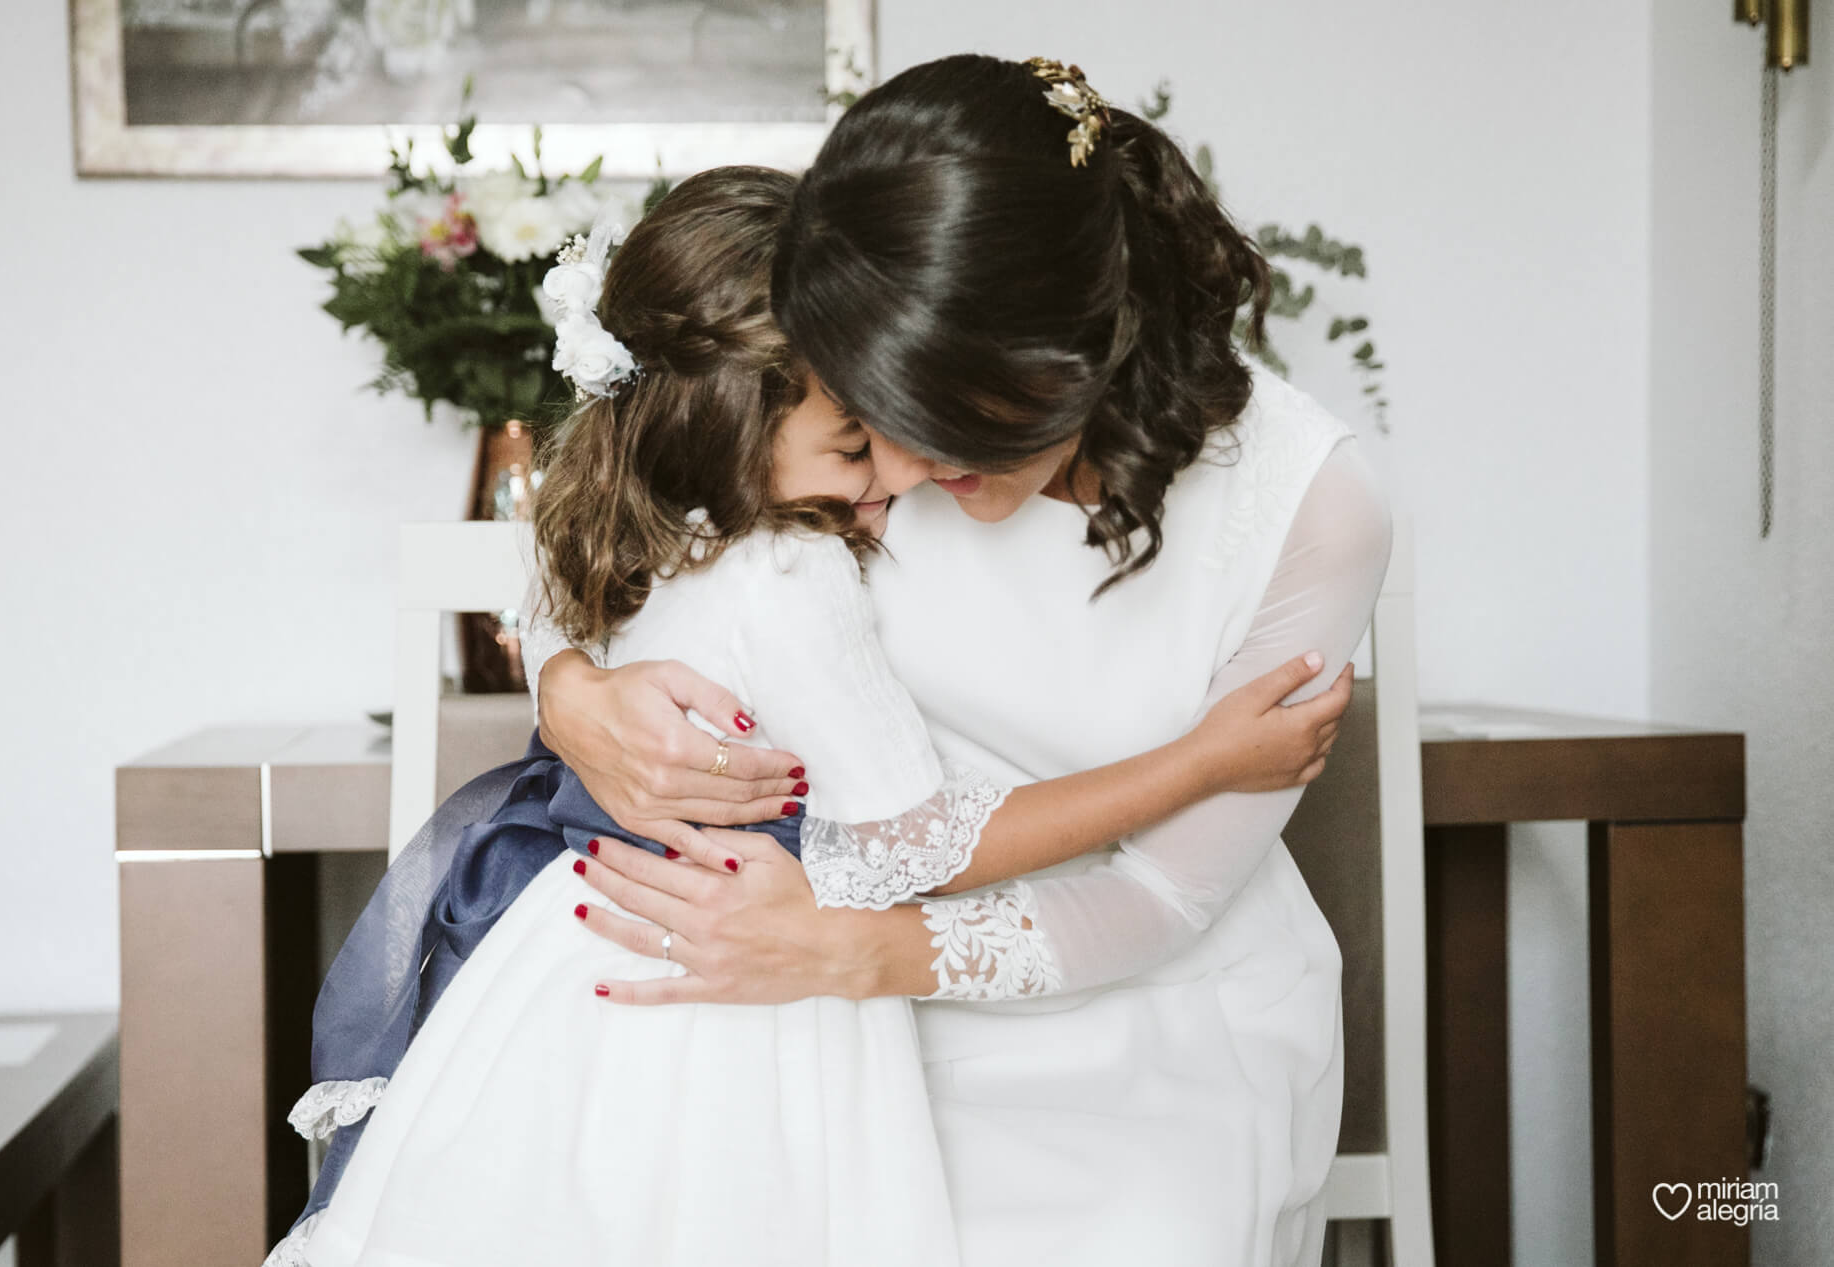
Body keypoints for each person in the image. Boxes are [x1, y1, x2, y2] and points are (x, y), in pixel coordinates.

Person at [266, 163, 1350, 1267]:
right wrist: (1206, 760)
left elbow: (555, 578)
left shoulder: (649, 514)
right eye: (855, 442)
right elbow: (922, 841)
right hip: (739, 988)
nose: (896, 470)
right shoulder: (795, 571)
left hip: (574, 975)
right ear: (736, 419)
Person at [530, 54, 1394, 1267]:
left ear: (1094, 336)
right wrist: (572, 693)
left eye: (970, 415)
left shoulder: (1310, 504)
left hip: (1150, 1019)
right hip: (819, 1010)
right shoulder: (856, 358)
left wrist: (847, 951)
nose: (914, 467)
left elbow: (1162, 897)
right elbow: (618, 521)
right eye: (890, 412)